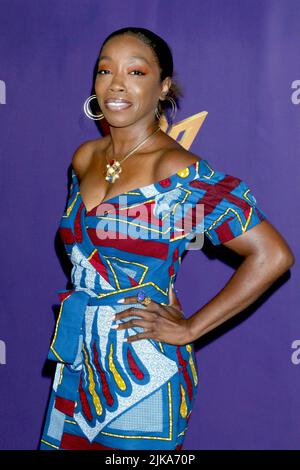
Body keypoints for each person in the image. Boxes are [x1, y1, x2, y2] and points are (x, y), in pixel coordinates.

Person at [39, 27, 294, 451]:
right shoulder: (84, 159)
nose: (116, 84)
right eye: (105, 71)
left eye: (135, 72)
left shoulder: (178, 175)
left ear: (163, 87)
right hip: (80, 361)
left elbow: (271, 255)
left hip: (140, 368)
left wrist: (190, 327)